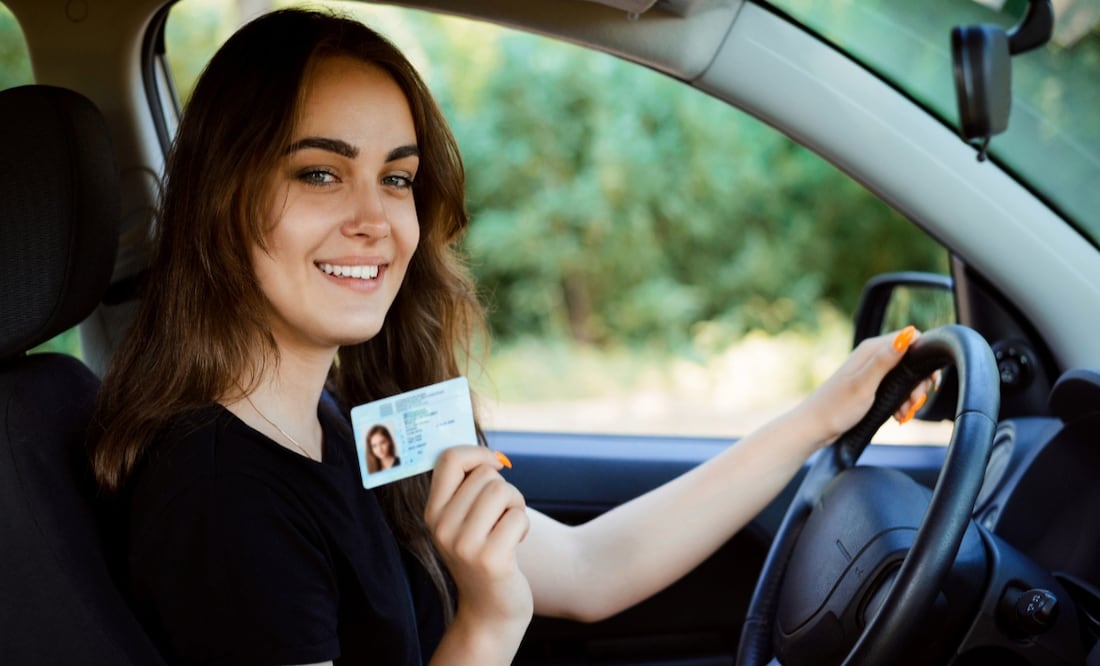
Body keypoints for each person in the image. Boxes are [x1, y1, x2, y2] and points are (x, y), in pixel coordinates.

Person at [88, 7, 932, 665]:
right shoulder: (217, 499)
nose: (376, 221)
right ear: (221, 199)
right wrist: (489, 620)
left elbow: (593, 569)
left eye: (397, 179)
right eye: (319, 173)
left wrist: (820, 415)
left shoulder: (347, 423)